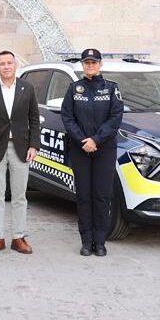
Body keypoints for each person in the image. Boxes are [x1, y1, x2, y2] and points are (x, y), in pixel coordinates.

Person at [59, 48, 123, 257]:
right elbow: (67, 117)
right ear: (82, 65)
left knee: (102, 196)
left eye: (93, 62)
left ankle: (100, 242)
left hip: (104, 150)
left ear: (100, 64)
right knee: (84, 196)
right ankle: (86, 241)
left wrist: (96, 140)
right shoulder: (74, 89)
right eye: (86, 63)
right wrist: (82, 140)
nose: (90, 66)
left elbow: (115, 119)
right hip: (80, 150)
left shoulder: (112, 89)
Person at [0, 49, 40, 255]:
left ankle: (19, 237)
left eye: (9, 63)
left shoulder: (27, 88)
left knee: (20, 195)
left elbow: (34, 119)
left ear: (15, 65)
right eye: (2, 63)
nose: (6, 66)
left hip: (22, 148)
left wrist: (34, 145)